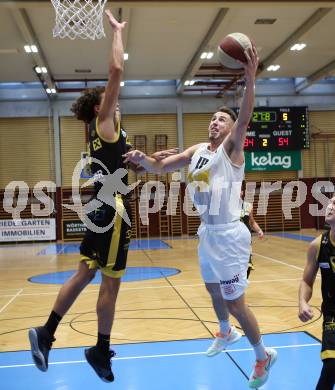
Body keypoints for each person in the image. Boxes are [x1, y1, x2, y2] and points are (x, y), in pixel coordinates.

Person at [27, 10, 177, 383]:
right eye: (112, 101)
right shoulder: (105, 122)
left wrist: (153, 160)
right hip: (111, 211)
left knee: (83, 273)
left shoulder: (108, 139)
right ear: (101, 107)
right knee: (110, 282)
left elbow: (125, 170)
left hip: (100, 206)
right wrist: (118, 33)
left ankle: (46, 333)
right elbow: (116, 72)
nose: (118, 103)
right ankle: (99, 349)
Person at [124, 45, 277, 389]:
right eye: (213, 118)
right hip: (207, 232)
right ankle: (225, 332)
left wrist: (250, 77)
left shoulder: (232, 150)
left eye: (222, 119)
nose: (215, 122)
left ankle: (263, 356)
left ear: (232, 128)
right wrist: (140, 158)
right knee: (212, 288)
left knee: (236, 303)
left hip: (229, 235)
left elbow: (247, 116)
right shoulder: (196, 151)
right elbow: (160, 166)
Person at [299, 195, 335, 390]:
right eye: (330, 201)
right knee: (331, 367)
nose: (329, 206)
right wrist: (303, 302)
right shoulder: (317, 246)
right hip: (332, 315)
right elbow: (306, 281)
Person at [240, 185, 264, 278]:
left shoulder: (248, 206)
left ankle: (243, 283)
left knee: (248, 265)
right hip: (233, 240)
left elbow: (252, 221)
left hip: (246, 239)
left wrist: (259, 230)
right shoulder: (228, 207)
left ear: (242, 192)